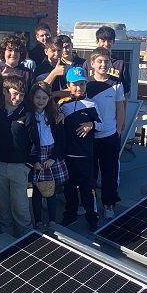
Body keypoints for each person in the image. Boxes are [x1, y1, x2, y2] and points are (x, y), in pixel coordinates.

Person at [0, 75, 40, 237]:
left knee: (20, 205)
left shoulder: (27, 115)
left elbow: (35, 143)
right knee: (2, 204)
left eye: (21, 94)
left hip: (19, 167)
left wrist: (28, 165)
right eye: (14, 93)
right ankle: (7, 235)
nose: (17, 98)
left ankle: (26, 235)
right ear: (5, 91)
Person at [59, 67, 102, 230]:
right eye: (75, 84)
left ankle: (92, 217)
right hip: (68, 156)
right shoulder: (62, 105)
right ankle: (70, 215)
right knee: (69, 189)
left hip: (85, 157)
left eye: (82, 84)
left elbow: (102, 125)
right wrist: (58, 117)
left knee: (87, 189)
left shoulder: (92, 104)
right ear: (68, 85)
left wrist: (91, 125)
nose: (79, 88)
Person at [86, 48, 126, 220]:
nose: (103, 64)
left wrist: (117, 132)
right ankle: (90, 203)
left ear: (111, 63)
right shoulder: (85, 84)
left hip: (109, 137)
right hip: (89, 137)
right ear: (92, 64)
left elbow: (120, 109)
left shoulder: (117, 83)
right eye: (100, 61)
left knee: (109, 173)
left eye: (106, 61)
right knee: (90, 174)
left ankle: (108, 204)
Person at [28, 82, 67, 227]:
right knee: (37, 190)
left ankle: (52, 221)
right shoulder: (28, 115)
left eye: (44, 98)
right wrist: (34, 160)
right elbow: (26, 141)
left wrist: (53, 158)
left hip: (51, 154)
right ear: (32, 97)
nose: (41, 101)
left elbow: (61, 140)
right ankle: (37, 221)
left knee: (51, 189)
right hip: (36, 156)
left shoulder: (54, 115)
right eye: (38, 97)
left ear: (49, 98)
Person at [83, 25, 131, 96]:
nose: (106, 44)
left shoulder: (120, 64)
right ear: (97, 41)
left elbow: (125, 91)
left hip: (111, 105)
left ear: (113, 42)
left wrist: (124, 107)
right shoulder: (88, 63)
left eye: (109, 41)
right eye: (103, 41)